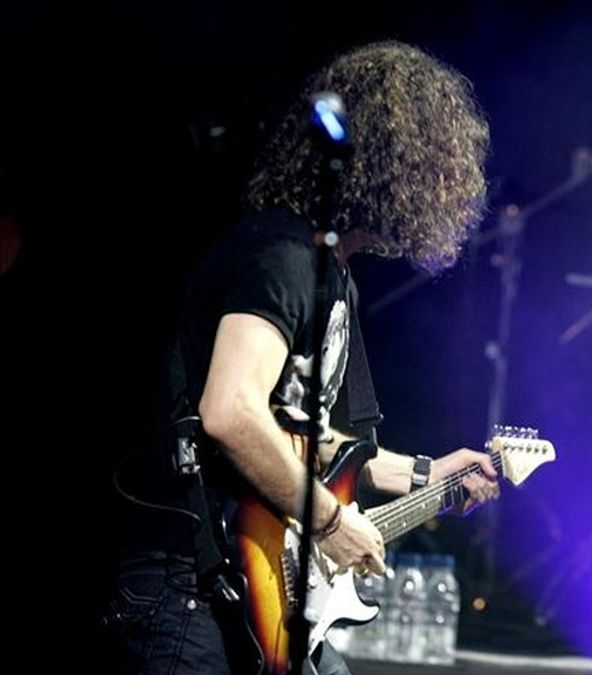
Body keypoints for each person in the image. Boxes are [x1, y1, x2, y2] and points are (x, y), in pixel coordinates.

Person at [104, 42, 498, 675]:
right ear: (399, 168)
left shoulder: (332, 278)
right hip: (187, 584)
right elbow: (229, 411)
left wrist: (431, 475)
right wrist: (331, 520)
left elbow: (313, 444)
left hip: (250, 587)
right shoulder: (282, 256)